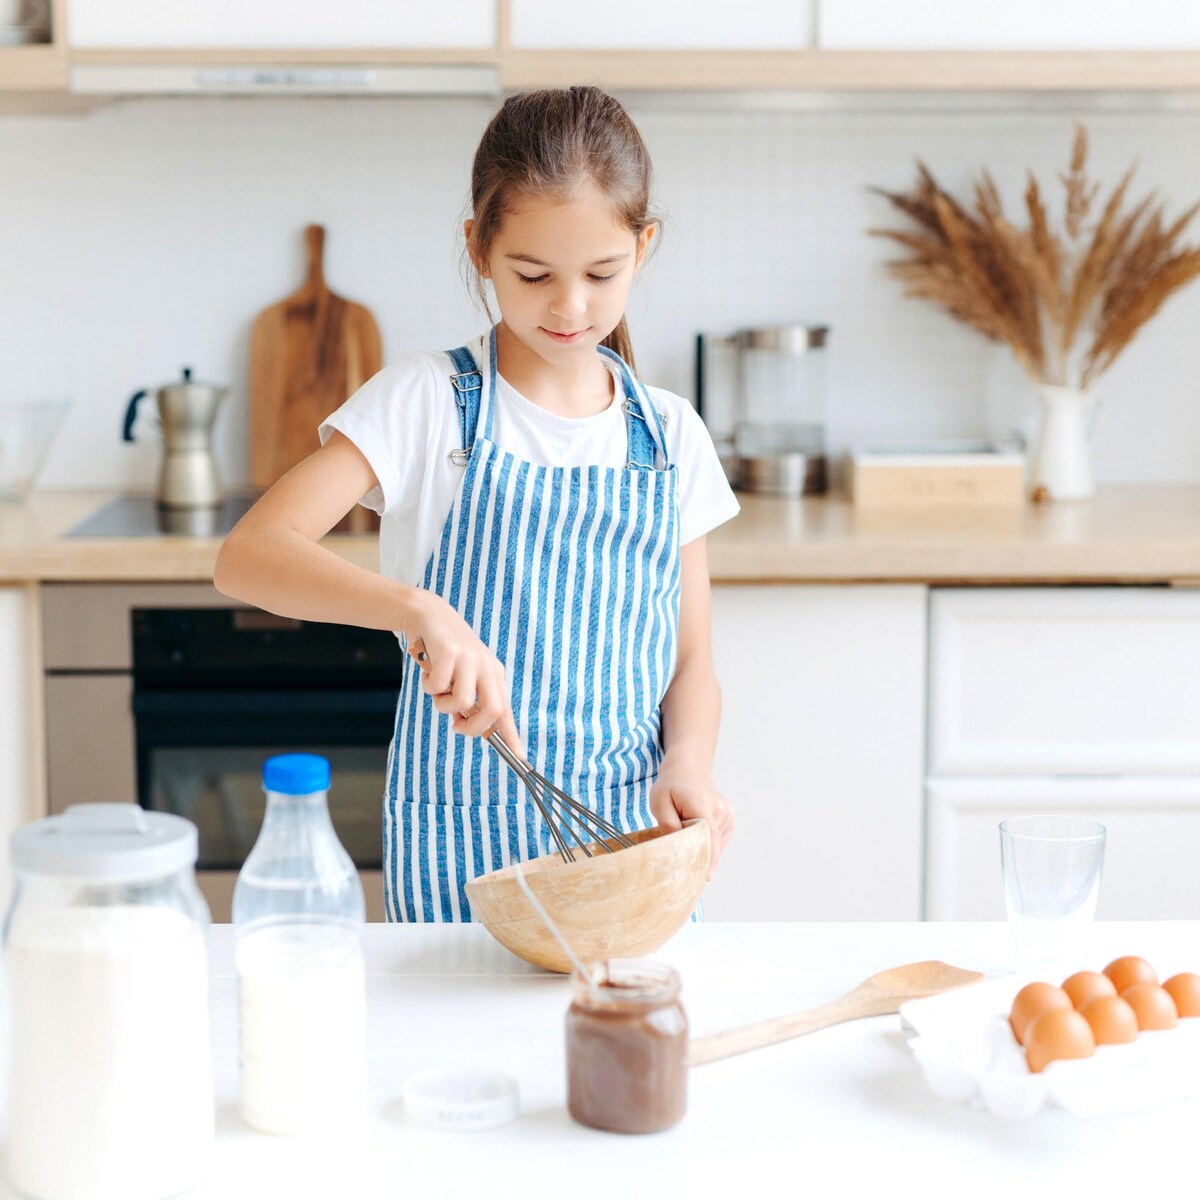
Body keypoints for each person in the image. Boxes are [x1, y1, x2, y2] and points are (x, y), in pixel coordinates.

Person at [214, 86, 739, 923]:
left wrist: (690, 763)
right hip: (461, 846)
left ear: (644, 247)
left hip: (628, 840)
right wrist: (417, 609)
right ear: (479, 248)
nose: (570, 307)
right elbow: (248, 555)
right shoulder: (427, 401)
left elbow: (692, 661)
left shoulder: (672, 434)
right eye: (533, 275)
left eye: (601, 274)